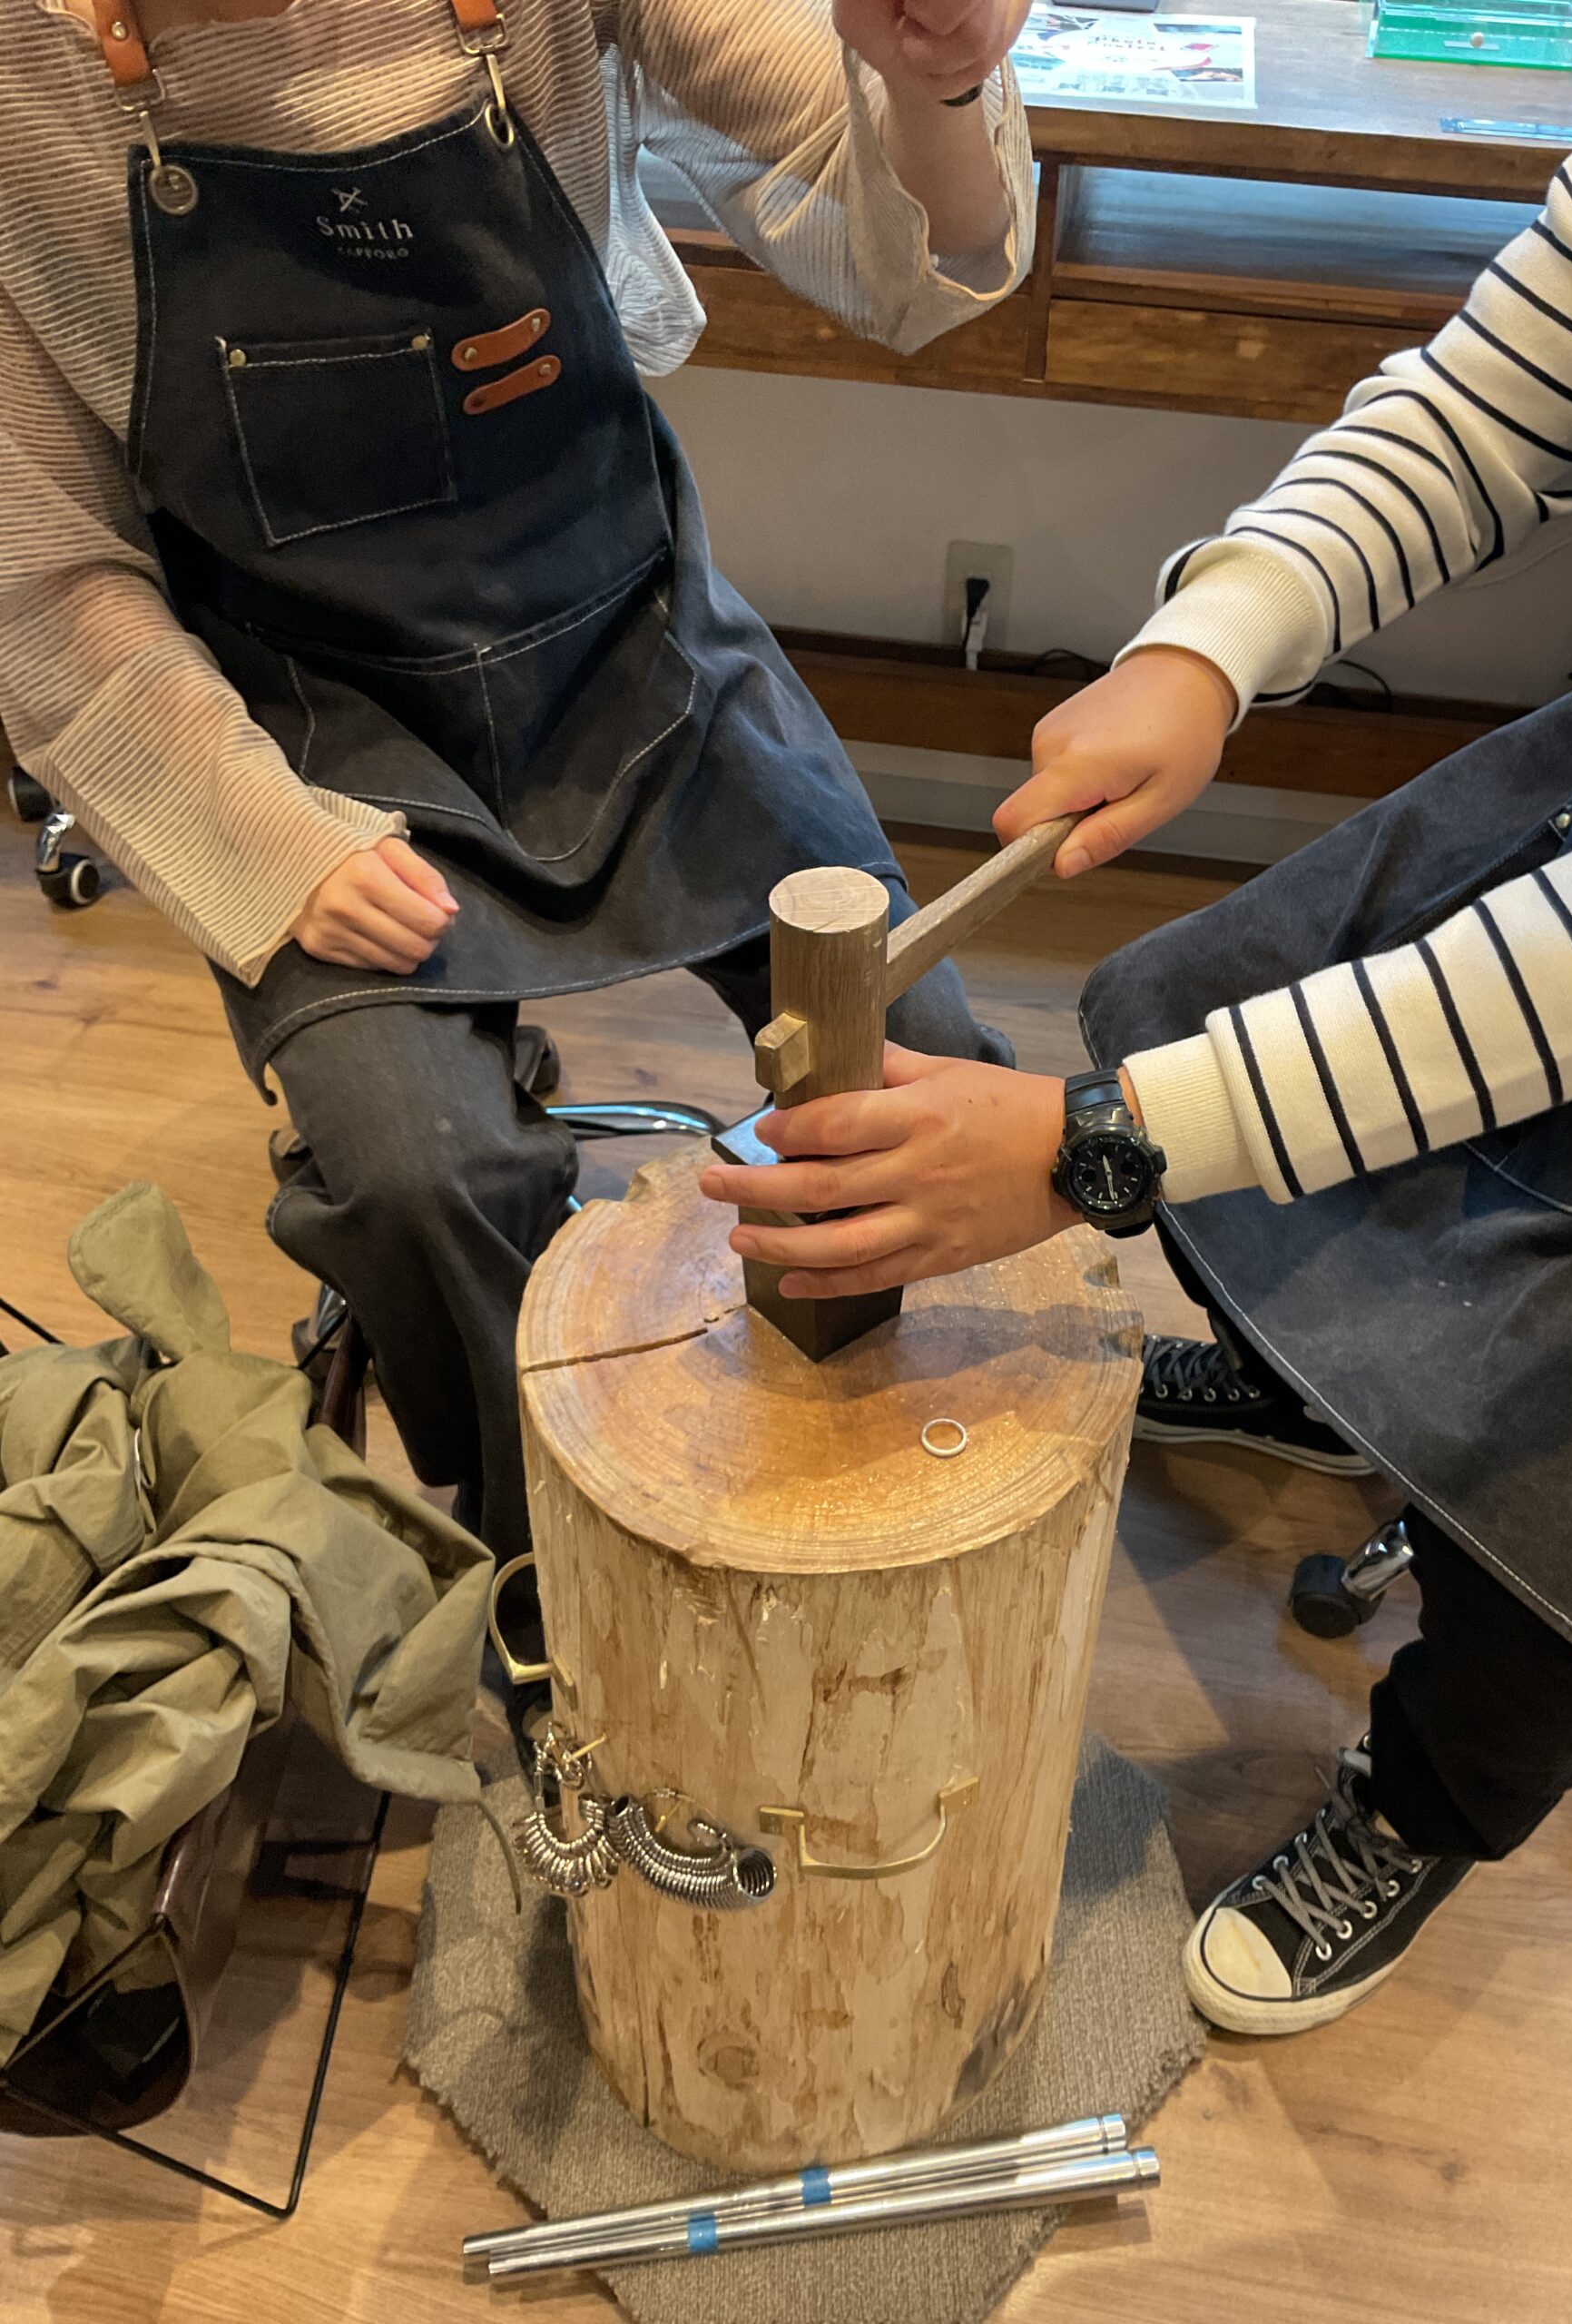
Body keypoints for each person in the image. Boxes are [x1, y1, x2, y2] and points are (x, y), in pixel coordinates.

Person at [702, 0, 1572, 2038]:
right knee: (1209, 1002)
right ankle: (1323, 1386)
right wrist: (1214, 640)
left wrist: (1098, 1150)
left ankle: (1425, 1798)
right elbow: (1487, 406)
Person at [0, 0, 1034, 1728]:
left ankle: (916, 1480)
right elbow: (41, 570)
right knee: (425, 1179)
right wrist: (257, 840)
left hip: (634, 646)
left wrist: (939, 83)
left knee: (925, 1060)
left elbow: (909, 251)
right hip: (303, 732)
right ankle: (551, 1573)